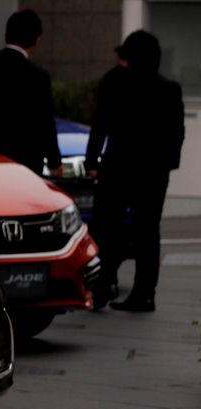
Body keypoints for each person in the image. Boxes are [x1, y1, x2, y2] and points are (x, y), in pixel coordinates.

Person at [85, 30, 185, 312]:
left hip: (118, 166)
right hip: (153, 171)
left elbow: (100, 124)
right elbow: (177, 133)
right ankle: (144, 293)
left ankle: (102, 287)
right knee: (148, 232)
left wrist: (93, 161)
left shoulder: (114, 82)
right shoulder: (169, 89)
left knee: (106, 228)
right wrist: (167, 164)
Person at [0, 9, 63, 177]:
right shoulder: (38, 76)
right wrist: (55, 162)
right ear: (36, 40)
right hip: (24, 165)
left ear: (6, 34)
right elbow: (45, 124)